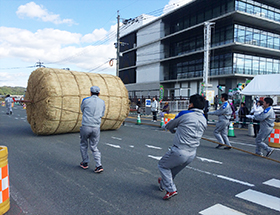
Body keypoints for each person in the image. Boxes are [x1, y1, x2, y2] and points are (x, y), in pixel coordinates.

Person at [158, 94, 207, 200]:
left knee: (163, 165)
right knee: (171, 171)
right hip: (192, 153)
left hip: (179, 150)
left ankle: (171, 189)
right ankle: (162, 184)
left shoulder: (185, 114)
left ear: (191, 104)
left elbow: (170, 125)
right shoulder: (204, 119)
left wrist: (168, 128)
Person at [79, 86, 105, 173]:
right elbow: (102, 114)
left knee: (83, 144)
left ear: (90, 93)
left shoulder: (85, 100)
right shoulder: (102, 102)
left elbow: (82, 110)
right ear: (99, 93)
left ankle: (85, 162)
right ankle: (98, 165)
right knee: (94, 146)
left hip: (86, 125)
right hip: (96, 127)